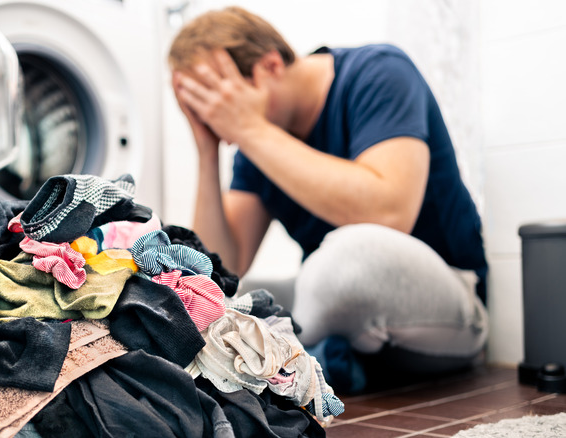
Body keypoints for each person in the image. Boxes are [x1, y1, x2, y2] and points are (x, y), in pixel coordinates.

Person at [168, 6, 489, 393]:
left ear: (270, 66)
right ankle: (320, 361)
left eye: (226, 102)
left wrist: (249, 127)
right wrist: (207, 150)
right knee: (208, 300)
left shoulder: (378, 72)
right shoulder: (257, 141)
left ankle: (283, 364)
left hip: (451, 307)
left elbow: (388, 213)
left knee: (342, 264)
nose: (230, 128)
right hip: (341, 313)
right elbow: (220, 268)